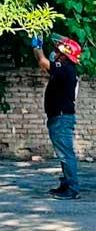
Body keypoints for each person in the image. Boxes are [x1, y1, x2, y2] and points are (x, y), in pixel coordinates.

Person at [31, 33, 83, 200]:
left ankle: (72, 189)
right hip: (59, 118)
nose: (55, 53)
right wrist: (37, 49)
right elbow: (45, 65)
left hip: (61, 119)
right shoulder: (64, 70)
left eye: (58, 51)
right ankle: (66, 184)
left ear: (65, 55)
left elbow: (43, 62)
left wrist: (37, 46)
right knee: (63, 153)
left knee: (66, 154)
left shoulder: (65, 68)